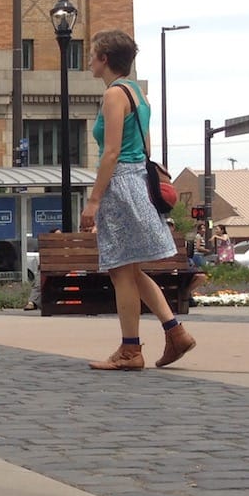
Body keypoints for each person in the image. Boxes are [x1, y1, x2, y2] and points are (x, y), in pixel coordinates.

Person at [79, 29, 195, 370]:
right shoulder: (137, 94)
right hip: (136, 182)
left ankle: (131, 350)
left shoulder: (114, 95)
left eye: (92, 54)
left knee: (119, 271)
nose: (89, 60)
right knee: (131, 269)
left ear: (104, 59)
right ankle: (176, 332)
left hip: (120, 185)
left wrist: (94, 201)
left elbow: (111, 151)